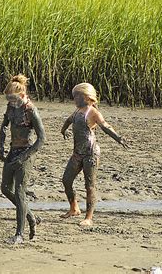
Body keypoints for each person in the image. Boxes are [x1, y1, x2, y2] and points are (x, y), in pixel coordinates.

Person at [60, 83, 129, 226]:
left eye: (77, 96)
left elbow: (105, 126)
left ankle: (89, 218)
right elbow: (68, 120)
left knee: (89, 186)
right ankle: (74, 208)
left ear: (87, 97)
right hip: (77, 153)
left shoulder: (92, 112)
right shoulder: (77, 111)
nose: (74, 99)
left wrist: (118, 138)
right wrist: (63, 130)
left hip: (91, 154)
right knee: (66, 180)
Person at [0, 74, 45, 244]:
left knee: (19, 191)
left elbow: (42, 139)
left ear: (23, 95)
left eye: (13, 98)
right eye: (8, 99)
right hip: (12, 150)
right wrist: (1, 146)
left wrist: (24, 157)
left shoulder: (30, 110)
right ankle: (31, 216)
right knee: (5, 188)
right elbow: (3, 126)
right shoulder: (11, 108)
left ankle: (19, 234)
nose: (11, 101)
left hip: (26, 151)